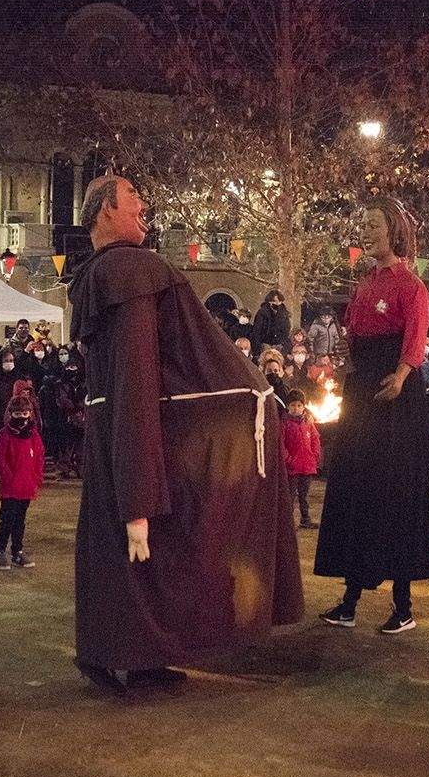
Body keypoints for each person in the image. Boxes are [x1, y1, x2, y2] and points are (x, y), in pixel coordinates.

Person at [68, 175, 303, 691]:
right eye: (133, 196)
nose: (144, 203)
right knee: (146, 549)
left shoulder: (108, 273)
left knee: (126, 554)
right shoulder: (131, 270)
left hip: (119, 435)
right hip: (134, 438)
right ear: (105, 210)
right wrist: (138, 500)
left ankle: (132, 652)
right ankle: (132, 653)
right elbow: (133, 381)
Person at [315, 196, 429, 634]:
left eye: (373, 225)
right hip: (361, 392)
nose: (366, 232)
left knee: (395, 491)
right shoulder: (364, 283)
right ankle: (349, 601)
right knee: (356, 488)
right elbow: (353, 333)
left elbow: (416, 336)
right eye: (364, 225)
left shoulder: (411, 285)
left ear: (394, 231)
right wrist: (345, 355)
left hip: (395, 397)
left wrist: (402, 375)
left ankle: (403, 607)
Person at [0, 382, 45, 570]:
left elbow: (39, 456)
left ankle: (17, 551)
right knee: (7, 519)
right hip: (10, 486)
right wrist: (8, 476)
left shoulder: (33, 435)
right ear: (11, 414)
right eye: (17, 414)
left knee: (20, 521)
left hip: (26, 486)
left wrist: (36, 476)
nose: (22, 417)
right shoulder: (4, 435)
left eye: (25, 413)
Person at [282, 388, 322, 529]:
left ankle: (305, 519)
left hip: (307, 466)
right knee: (290, 496)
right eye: (293, 405)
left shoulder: (308, 423)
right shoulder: (284, 424)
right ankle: (287, 524)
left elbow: (315, 439)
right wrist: (289, 460)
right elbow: (281, 444)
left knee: (304, 495)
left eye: (299, 405)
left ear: (303, 406)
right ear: (288, 406)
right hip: (292, 468)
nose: (296, 408)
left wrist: (314, 456)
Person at [252, 289, 292, 354]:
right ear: (269, 301)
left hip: (279, 344)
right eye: (275, 301)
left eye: (279, 301)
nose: (277, 303)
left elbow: (287, 327)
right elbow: (257, 329)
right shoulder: (262, 312)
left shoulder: (284, 313)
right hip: (266, 343)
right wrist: (260, 343)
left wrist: (282, 340)